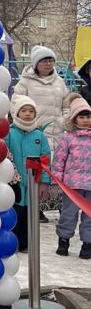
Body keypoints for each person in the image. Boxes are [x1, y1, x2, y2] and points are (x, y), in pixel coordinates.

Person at [4, 95, 52, 252]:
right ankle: (10, 242)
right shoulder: (9, 133)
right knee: (13, 213)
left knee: (29, 215)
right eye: (23, 110)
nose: (27, 114)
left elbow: (45, 160)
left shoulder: (40, 136)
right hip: (14, 182)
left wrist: (44, 181)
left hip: (33, 183)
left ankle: (25, 243)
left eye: (31, 111)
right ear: (16, 113)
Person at [52, 94, 91, 259]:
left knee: (89, 216)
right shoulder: (68, 138)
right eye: (81, 117)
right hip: (72, 185)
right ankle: (64, 240)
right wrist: (57, 180)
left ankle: (88, 243)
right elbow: (59, 160)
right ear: (74, 119)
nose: (85, 120)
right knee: (68, 214)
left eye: (88, 116)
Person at [13, 46, 70, 152]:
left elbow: (67, 105)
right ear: (36, 63)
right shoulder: (25, 82)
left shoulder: (59, 82)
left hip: (57, 134)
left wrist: (64, 121)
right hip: (33, 132)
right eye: (44, 61)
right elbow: (15, 106)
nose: (48, 64)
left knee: (56, 161)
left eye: (51, 60)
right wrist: (26, 125)